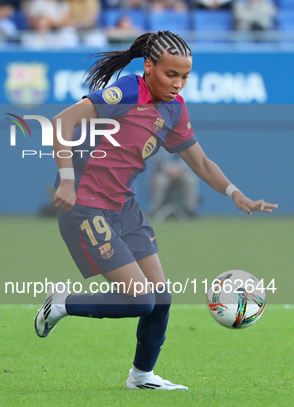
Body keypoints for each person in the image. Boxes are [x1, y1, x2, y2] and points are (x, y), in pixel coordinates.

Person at [34, 31, 277, 390]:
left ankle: (142, 376)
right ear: (148, 67)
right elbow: (62, 122)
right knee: (141, 300)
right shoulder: (128, 91)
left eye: (185, 77)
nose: (178, 84)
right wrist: (67, 180)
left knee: (161, 298)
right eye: (171, 75)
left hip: (123, 205)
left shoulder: (174, 110)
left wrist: (235, 193)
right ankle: (62, 303)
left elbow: (202, 162)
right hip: (87, 204)